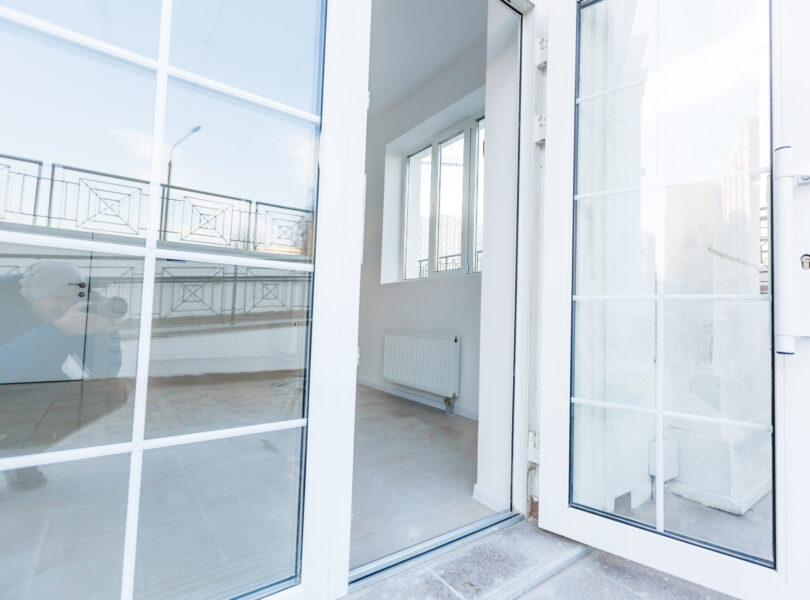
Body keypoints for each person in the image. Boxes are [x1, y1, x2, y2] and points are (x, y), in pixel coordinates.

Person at [0, 259, 123, 489]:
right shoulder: (4, 308)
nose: (65, 306)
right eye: (58, 298)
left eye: (72, 299)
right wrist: (55, 331)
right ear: (34, 295)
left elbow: (102, 374)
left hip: (31, 392)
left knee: (113, 391)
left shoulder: (69, 317)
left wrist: (106, 333)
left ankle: (18, 455)